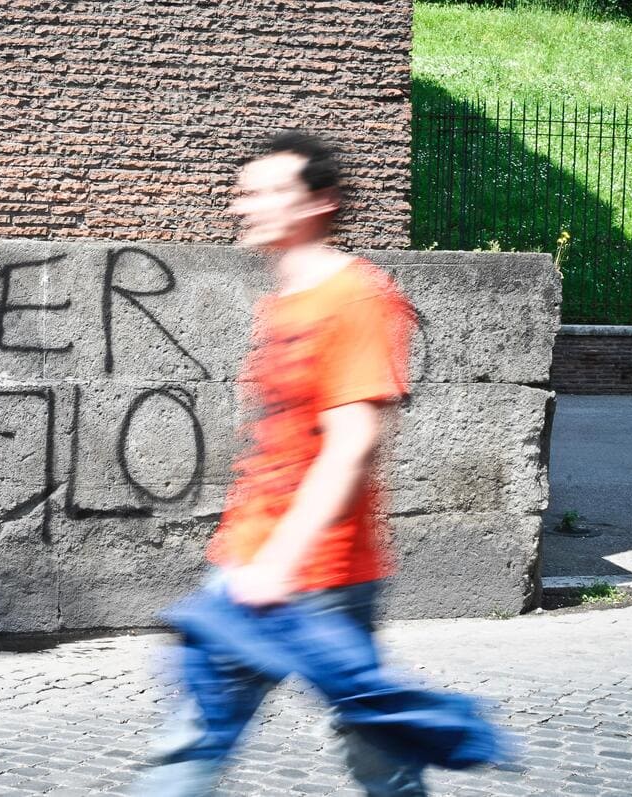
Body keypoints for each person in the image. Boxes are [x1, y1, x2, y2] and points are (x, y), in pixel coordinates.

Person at [131, 132, 504, 796]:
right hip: (249, 563)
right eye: (244, 192)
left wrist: (280, 560)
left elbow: (352, 441)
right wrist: (249, 557)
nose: (246, 205)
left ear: (320, 202)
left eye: (270, 191)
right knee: (196, 737)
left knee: (374, 748)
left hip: (319, 576)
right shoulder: (284, 299)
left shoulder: (356, 297)